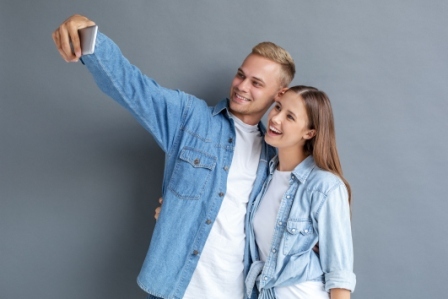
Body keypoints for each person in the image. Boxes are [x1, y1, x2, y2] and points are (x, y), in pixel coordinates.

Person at [52, 14, 295, 299]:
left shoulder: (275, 158)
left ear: (279, 94)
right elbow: (133, 87)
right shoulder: (190, 117)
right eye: (241, 75)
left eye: (256, 83)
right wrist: (89, 36)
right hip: (176, 290)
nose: (242, 86)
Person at [245, 86, 356, 298]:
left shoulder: (325, 186)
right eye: (277, 107)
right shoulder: (264, 176)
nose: (276, 118)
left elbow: (339, 274)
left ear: (309, 133)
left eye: (290, 116)